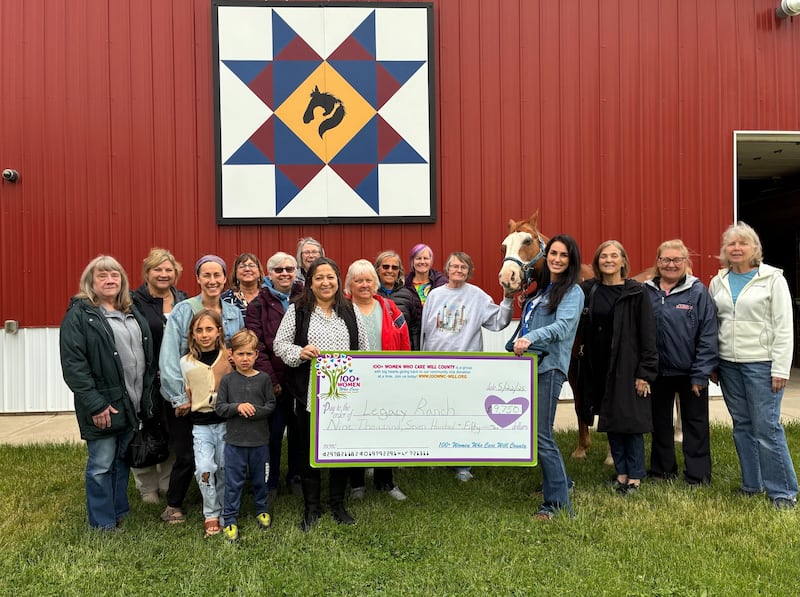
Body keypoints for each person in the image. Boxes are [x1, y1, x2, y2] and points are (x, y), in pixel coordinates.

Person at [59, 255, 155, 530]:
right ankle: (102, 523)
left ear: (122, 281)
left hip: (130, 401)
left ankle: (118, 510)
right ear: (90, 282)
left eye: (115, 275)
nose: (110, 280)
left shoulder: (130, 310)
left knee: (121, 460)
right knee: (101, 464)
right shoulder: (81, 315)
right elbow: (74, 366)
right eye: (102, 276)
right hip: (104, 404)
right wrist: (96, 404)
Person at [274, 257, 369, 531]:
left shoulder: (350, 310)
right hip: (307, 394)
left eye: (330, 277)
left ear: (338, 281)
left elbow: (362, 349)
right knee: (306, 450)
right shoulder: (298, 311)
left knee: (339, 450)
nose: (325, 282)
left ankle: (337, 504)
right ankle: (311, 507)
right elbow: (279, 345)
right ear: (310, 283)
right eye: (319, 278)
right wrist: (300, 352)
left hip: (342, 396)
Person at [709, 222, 798, 509]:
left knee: (767, 428)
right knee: (743, 426)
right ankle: (752, 484)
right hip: (728, 365)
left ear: (754, 248)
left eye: (742, 243)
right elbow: (713, 325)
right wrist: (712, 363)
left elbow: (784, 327)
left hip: (762, 364)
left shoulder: (773, 279)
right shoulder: (717, 281)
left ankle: (783, 492)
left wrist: (781, 368)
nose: (736, 248)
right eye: (731, 244)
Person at [159, 254, 244, 524]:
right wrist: (177, 396)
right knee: (186, 453)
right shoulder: (184, 310)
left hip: (222, 398)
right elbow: (170, 355)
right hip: (189, 396)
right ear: (197, 278)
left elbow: (238, 350)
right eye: (206, 275)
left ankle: (220, 506)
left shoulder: (232, 312)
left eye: (217, 275)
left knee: (222, 455)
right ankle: (174, 504)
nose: (212, 280)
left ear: (224, 278)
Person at [508, 235, 584, 519]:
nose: (557, 259)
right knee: (536, 434)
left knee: (542, 436)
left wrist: (530, 338)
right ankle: (561, 483)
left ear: (571, 260)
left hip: (548, 367)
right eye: (553, 253)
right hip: (530, 366)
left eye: (564, 255)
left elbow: (563, 327)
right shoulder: (543, 290)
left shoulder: (572, 292)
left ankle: (557, 505)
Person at [420, 251, 514, 481]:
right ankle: (437, 455)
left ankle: (463, 465)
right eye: (454, 266)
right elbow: (425, 329)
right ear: (447, 269)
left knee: (463, 416)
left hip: (465, 368)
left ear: (469, 272)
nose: (458, 271)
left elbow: (499, 321)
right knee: (437, 415)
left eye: (463, 267)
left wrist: (508, 298)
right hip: (436, 366)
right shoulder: (435, 295)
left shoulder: (477, 296)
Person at [576, 240, 658, 495]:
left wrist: (645, 372)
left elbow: (648, 334)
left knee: (629, 422)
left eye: (614, 256)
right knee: (611, 420)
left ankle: (634, 477)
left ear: (623, 261)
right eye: (603, 256)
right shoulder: (590, 290)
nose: (609, 260)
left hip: (628, 366)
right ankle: (620, 473)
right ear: (597, 262)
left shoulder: (636, 292)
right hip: (599, 366)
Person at [644, 240, 717, 486]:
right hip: (657, 372)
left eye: (677, 260)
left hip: (690, 372)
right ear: (658, 262)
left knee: (695, 425)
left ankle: (697, 476)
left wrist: (701, 373)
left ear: (686, 262)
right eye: (666, 259)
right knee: (660, 424)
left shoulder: (697, 291)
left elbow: (708, 334)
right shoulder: (647, 291)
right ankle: (662, 471)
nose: (671, 264)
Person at [345, 259, 411, 502]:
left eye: (368, 280)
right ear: (349, 284)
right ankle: (357, 483)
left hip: (386, 380)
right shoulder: (343, 309)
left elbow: (404, 341)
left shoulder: (391, 308)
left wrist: (404, 373)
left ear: (376, 283)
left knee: (386, 430)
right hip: (354, 382)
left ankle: (386, 481)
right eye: (358, 280)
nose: (364, 285)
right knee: (354, 431)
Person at [245, 252, 304, 505]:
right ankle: (270, 482)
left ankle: (297, 477)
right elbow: (255, 346)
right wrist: (271, 381)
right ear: (269, 274)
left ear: (295, 272)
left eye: (289, 269)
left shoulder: (306, 299)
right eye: (278, 270)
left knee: (300, 433)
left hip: (302, 378)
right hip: (274, 383)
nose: (284, 274)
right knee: (273, 434)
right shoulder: (257, 305)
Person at [131, 248, 188, 504]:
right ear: (147, 272)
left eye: (169, 270)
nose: (164, 274)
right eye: (158, 269)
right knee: (146, 429)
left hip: (177, 376)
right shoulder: (133, 301)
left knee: (172, 429)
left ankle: (167, 482)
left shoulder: (183, 300)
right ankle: (147, 487)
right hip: (146, 377)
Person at [216, 329, 277, 543]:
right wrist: (237, 407)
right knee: (234, 482)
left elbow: (270, 405)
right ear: (231, 355)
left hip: (260, 442)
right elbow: (220, 408)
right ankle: (230, 518)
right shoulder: (228, 381)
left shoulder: (264, 379)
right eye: (240, 354)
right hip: (235, 443)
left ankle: (262, 509)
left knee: (262, 479)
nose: (245, 359)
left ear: (256, 355)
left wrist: (254, 411)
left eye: (249, 354)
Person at [180, 309, 233, 537]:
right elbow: (183, 391)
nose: (204, 334)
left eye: (209, 329)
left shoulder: (229, 358)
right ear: (192, 333)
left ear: (218, 331)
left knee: (223, 468)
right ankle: (210, 512)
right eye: (199, 330)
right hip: (201, 427)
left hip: (225, 424)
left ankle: (224, 512)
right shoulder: (186, 363)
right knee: (205, 468)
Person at [375, 250, 422, 350]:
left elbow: (414, 328)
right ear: (377, 269)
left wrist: (415, 353)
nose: (390, 271)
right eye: (385, 267)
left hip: (400, 353)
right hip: (376, 351)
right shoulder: (371, 294)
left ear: (399, 271)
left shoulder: (408, 295)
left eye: (394, 268)